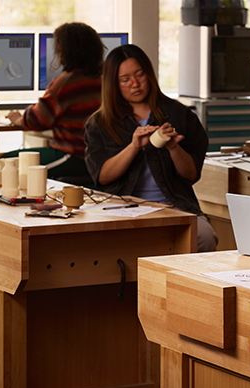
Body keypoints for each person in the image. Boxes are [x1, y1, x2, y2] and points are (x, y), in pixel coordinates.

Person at [84, 44, 217, 252]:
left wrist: (173, 148)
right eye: (125, 80)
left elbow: (191, 174)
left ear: (150, 74)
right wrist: (134, 147)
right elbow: (102, 177)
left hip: (173, 204)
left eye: (140, 75)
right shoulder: (100, 123)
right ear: (114, 84)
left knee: (204, 237)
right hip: (122, 206)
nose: (135, 84)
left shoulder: (179, 115)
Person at [4, 22, 102, 185]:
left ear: (64, 52)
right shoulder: (105, 77)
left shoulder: (67, 83)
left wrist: (18, 119)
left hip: (75, 156)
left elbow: (38, 120)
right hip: (101, 157)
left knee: (7, 163)